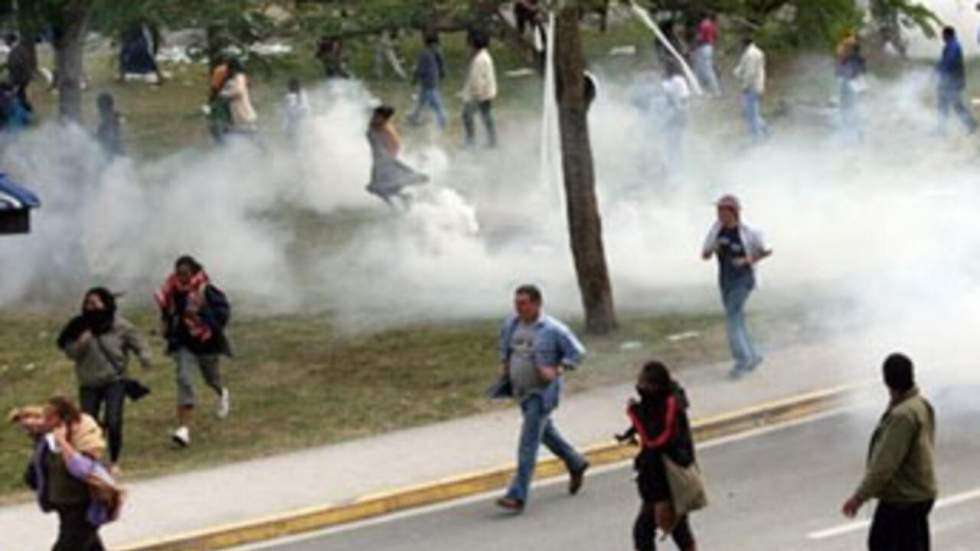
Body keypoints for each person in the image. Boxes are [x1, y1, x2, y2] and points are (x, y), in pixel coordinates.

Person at [495, 285, 590, 512]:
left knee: (528, 444)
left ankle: (517, 495)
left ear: (537, 304)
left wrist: (557, 369)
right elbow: (506, 349)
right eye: (516, 303)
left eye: (523, 303)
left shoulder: (553, 329)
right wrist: (506, 370)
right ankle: (576, 462)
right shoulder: (512, 324)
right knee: (546, 433)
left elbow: (577, 353)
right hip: (522, 391)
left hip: (542, 393)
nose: (518, 308)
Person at [842, 354, 937, 551]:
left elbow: (884, 465)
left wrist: (858, 497)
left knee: (881, 544)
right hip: (919, 494)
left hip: (903, 500)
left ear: (886, 380)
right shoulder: (920, 405)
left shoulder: (902, 416)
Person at [56, 287, 151, 468]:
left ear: (106, 305)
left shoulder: (119, 325)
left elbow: (138, 342)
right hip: (88, 383)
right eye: (87, 304)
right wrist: (81, 344)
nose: (91, 308)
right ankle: (92, 460)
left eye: (95, 303)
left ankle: (115, 461)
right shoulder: (77, 326)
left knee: (114, 421)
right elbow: (70, 352)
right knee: (88, 424)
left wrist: (144, 357)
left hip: (114, 380)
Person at [17, 396, 122, 551]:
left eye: (49, 418)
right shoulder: (48, 440)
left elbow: (81, 469)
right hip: (64, 507)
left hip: (82, 508)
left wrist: (63, 443)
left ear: (62, 418)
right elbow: (36, 471)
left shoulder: (83, 436)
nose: (44, 421)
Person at [616, 362, 698, 551]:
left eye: (643, 384)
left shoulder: (669, 406)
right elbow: (651, 424)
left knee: (643, 532)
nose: (639, 388)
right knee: (678, 528)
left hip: (666, 480)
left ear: (654, 386)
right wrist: (631, 431)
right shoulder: (660, 402)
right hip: (660, 478)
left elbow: (657, 440)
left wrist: (634, 414)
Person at [155, 255, 232, 447]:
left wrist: (202, 313)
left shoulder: (207, 290)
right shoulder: (172, 290)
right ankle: (184, 430)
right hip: (184, 343)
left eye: (186, 274)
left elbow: (223, 314)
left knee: (210, 379)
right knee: (184, 379)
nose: (182, 278)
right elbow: (167, 312)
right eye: (179, 274)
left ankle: (222, 392)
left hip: (206, 343)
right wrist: (164, 327)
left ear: (194, 272)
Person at [701, 195, 771, 379]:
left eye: (723, 211)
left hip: (743, 280)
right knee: (737, 319)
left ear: (733, 212)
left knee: (732, 319)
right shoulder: (716, 231)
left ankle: (742, 360)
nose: (720, 215)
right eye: (718, 211)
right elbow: (705, 254)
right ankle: (753, 355)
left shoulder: (748, 232)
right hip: (725, 280)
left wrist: (746, 260)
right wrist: (712, 248)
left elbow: (765, 251)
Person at [366, 105, 429, 210]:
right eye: (374, 114)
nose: (374, 116)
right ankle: (403, 200)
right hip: (379, 162)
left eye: (377, 115)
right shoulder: (375, 125)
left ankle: (403, 202)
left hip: (385, 163)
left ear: (384, 118)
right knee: (381, 189)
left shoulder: (386, 129)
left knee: (380, 188)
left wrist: (388, 160)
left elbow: (396, 145)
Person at [936, 26, 978, 135]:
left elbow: (949, 62)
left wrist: (940, 72)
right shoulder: (952, 45)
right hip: (953, 80)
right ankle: (970, 124)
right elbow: (945, 62)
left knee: (948, 104)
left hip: (952, 81)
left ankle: (942, 129)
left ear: (947, 35)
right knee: (951, 104)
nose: (942, 37)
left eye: (943, 35)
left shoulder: (953, 46)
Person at [461, 31, 498, 148]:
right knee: (486, 116)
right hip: (487, 93)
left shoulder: (479, 60)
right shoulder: (484, 56)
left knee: (467, 115)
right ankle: (492, 140)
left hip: (480, 95)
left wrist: (473, 96)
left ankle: (470, 141)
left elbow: (477, 80)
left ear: (474, 45)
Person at [408, 33, 448, 130]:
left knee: (436, 103)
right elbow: (441, 66)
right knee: (421, 101)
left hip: (428, 82)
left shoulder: (424, 53)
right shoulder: (437, 52)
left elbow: (419, 69)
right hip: (431, 81)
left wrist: (414, 79)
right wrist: (442, 74)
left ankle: (442, 121)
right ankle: (413, 118)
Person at [733, 37, 768, 142]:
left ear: (745, 44)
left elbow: (750, 72)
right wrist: (736, 72)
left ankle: (758, 137)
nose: (739, 47)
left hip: (752, 87)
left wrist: (745, 86)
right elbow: (743, 67)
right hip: (756, 86)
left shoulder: (751, 54)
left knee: (751, 114)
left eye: (740, 44)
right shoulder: (753, 52)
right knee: (751, 112)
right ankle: (765, 131)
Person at [661, 62, 690, 169]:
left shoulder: (675, 81)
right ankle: (675, 164)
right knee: (673, 142)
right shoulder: (676, 81)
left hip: (676, 115)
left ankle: (676, 165)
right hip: (677, 114)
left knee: (673, 142)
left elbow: (684, 98)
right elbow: (685, 97)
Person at [219, 58, 258, 136]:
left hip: (245, 117)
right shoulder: (234, 79)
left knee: (248, 139)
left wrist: (224, 94)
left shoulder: (239, 77)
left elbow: (239, 91)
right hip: (239, 117)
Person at [838, 43, 867, 143]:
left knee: (846, 110)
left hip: (849, 83)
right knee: (858, 110)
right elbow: (863, 71)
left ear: (852, 50)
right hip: (859, 82)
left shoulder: (847, 59)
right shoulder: (861, 59)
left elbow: (839, 72)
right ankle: (860, 136)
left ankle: (847, 135)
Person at [5, 33, 36, 113]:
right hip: (22, 78)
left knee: (19, 97)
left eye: (6, 41)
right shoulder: (20, 49)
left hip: (20, 79)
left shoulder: (16, 52)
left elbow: (18, 68)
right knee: (20, 96)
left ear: (10, 41)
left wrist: (16, 84)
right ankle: (28, 113)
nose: (6, 43)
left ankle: (28, 113)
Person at [693, 13, 721, 97]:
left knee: (705, 70)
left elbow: (699, 38)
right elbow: (717, 35)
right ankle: (713, 90)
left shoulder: (704, 24)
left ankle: (713, 91)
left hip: (703, 47)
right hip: (710, 48)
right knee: (706, 69)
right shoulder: (712, 25)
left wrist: (692, 47)